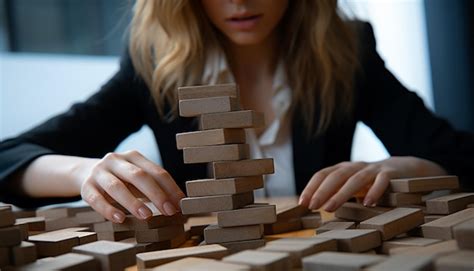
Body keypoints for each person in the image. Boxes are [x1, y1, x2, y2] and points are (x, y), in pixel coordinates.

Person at [0, 0, 473, 224]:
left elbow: (461, 156)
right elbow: (8, 157)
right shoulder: (153, 64)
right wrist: (85, 172)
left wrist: (407, 166)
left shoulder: (349, 49)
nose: (240, 1)